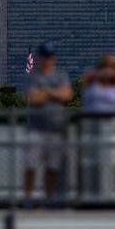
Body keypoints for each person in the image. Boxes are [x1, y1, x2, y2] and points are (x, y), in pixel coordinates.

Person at [23, 41, 72, 202]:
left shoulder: (61, 75)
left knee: (51, 168)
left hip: (54, 128)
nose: (47, 59)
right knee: (30, 165)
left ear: (54, 58)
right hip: (36, 129)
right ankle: (28, 199)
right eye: (44, 56)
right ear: (39, 57)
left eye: (50, 56)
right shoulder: (33, 76)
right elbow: (32, 97)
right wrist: (54, 92)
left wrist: (45, 91)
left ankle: (48, 200)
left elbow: (67, 95)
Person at [81, 54, 115, 199]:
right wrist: (99, 74)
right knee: (91, 162)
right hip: (91, 128)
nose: (109, 69)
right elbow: (84, 81)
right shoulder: (91, 81)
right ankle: (90, 194)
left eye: (113, 66)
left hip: (113, 129)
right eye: (107, 65)